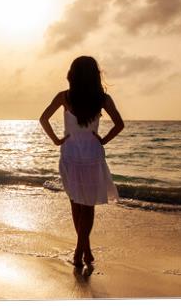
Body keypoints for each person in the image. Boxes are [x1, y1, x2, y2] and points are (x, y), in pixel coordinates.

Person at [39, 56, 124, 268]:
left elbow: (43, 119)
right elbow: (119, 124)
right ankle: (83, 250)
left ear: (72, 75)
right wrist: (103, 140)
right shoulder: (103, 99)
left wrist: (57, 140)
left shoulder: (64, 97)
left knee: (76, 203)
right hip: (92, 154)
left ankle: (81, 250)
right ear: (95, 75)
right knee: (88, 206)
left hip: (70, 154)